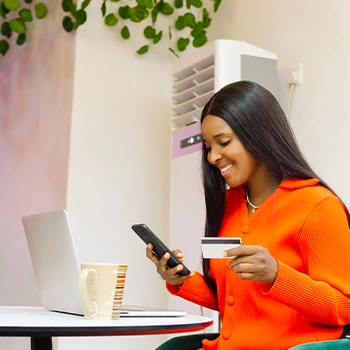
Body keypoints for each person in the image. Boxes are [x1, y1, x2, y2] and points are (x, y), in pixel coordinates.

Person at [146, 81, 350, 350]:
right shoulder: (231, 203)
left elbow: (342, 307)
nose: (212, 156)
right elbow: (234, 299)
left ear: (259, 134)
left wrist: (277, 275)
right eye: (208, 146)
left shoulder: (318, 205)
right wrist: (181, 279)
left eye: (223, 142)